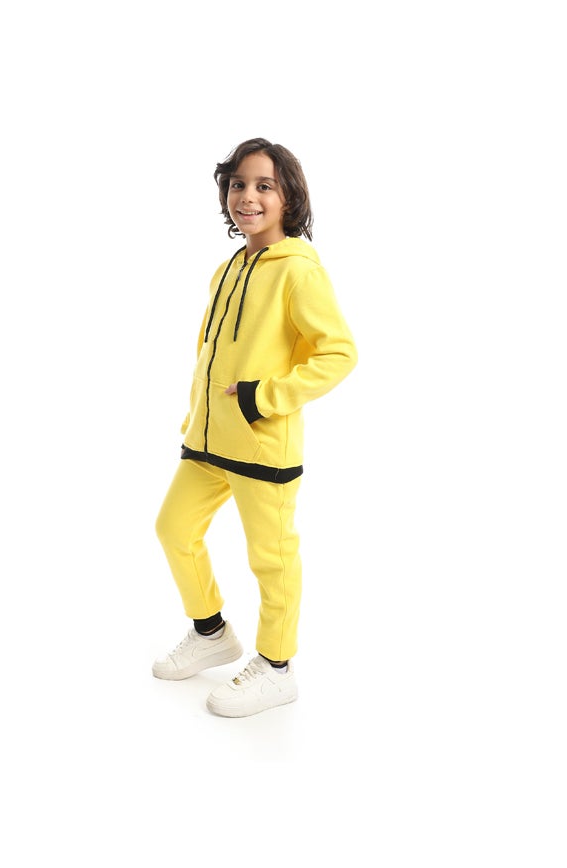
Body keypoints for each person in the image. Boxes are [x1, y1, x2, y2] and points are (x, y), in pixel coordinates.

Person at [153, 137, 358, 717]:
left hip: (263, 444)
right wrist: (198, 417)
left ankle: (276, 667)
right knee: (174, 528)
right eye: (238, 184)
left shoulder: (299, 272)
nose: (248, 196)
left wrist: (261, 398)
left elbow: (339, 354)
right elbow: (209, 353)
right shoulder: (226, 270)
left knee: (271, 556)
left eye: (264, 185)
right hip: (208, 441)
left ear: (289, 197)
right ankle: (212, 632)